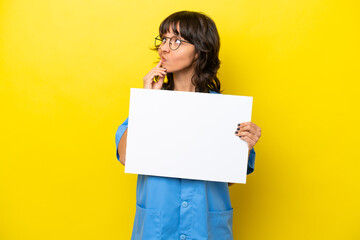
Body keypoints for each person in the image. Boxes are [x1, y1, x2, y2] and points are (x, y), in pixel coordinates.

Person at [115, 10, 261, 240]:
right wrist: (147, 101)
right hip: (158, 228)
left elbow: (228, 178)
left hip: (206, 227)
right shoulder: (149, 104)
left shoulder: (225, 112)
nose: (164, 47)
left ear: (198, 52)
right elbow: (125, 156)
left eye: (176, 41)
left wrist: (247, 146)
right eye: (163, 39)